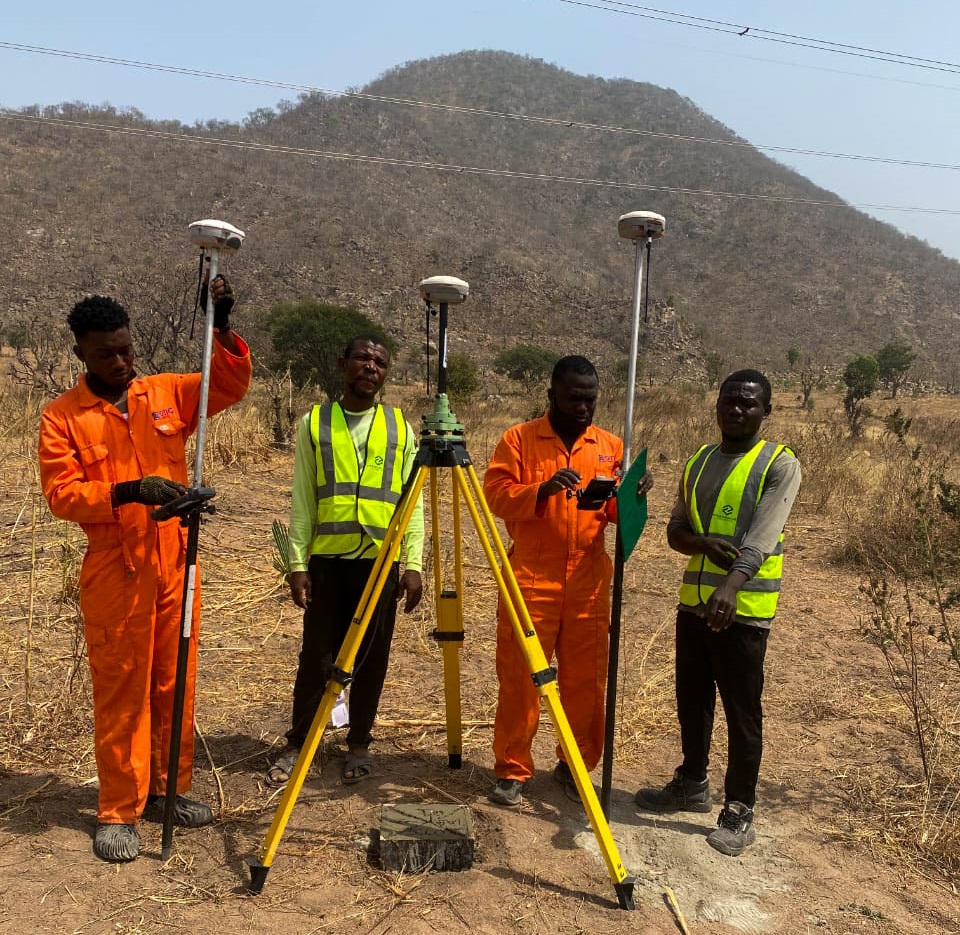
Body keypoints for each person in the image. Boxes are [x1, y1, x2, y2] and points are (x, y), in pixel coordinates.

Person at [38, 277, 252, 862]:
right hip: (116, 569)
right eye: (106, 352)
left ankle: (168, 789)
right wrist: (129, 490)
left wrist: (220, 323)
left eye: (127, 348)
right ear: (80, 350)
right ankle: (119, 808)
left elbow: (228, 384)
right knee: (122, 689)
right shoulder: (63, 417)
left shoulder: (162, 393)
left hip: (178, 560)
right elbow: (62, 495)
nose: (121, 361)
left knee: (173, 680)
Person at [634, 369, 801, 857]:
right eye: (729, 400)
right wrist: (702, 544)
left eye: (748, 403)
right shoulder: (700, 460)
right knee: (692, 699)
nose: (736, 409)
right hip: (694, 604)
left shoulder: (779, 464)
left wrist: (731, 586)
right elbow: (676, 531)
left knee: (742, 711)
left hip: (743, 610)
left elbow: (764, 536)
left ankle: (740, 807)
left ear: (766, 411)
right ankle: (691, 781)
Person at [483, 355, 652, 807]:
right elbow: (496, 496)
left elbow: (615, 515)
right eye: (573, 398)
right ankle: (513, 767)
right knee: (520, 678)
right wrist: (542, 490)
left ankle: (575, 766)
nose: (583, 407)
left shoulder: (611, 446)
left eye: (590, 399)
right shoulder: (518, 440)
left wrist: (633, 492)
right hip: (531, 578)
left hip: (589, 581)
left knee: (585, 681)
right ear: (552, 395)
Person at [266, 334, 424, 788]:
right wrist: (296, 565)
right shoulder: (314, 424)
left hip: (379, 563)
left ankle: (358, 743)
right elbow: (302, 501)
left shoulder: (400, 428)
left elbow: (410, 504)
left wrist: (412, 564)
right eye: (362, 358)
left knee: (372, 658)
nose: (370, 367)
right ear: (343, 363)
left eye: (379, 362)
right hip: (328, 562)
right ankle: (300, 742)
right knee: (317, 656)